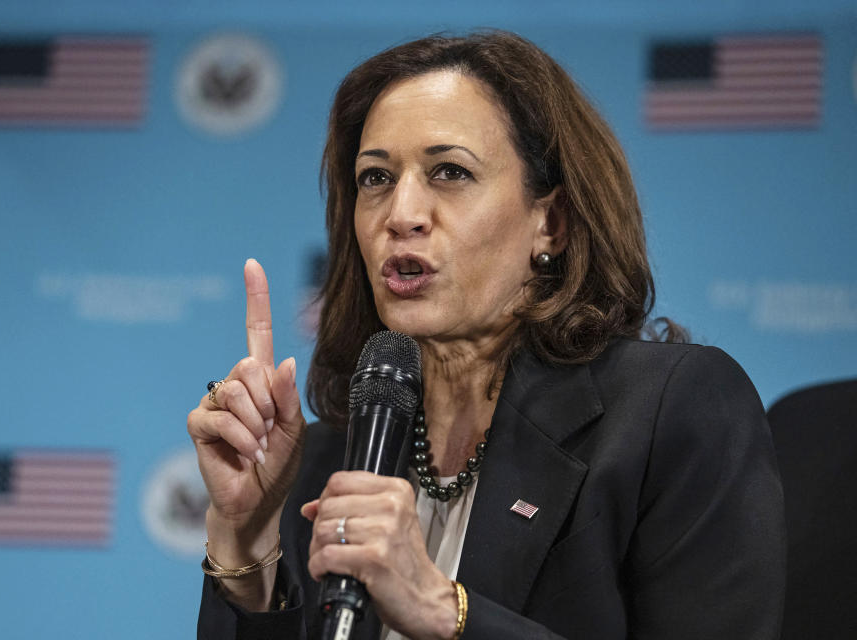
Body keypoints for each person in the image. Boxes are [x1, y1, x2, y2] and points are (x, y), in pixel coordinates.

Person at [187, 31, 785, 639]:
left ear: (550, 223)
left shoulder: (668, 415)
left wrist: (444, 611)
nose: (401, 214)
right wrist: (247, 539)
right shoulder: (327, 460)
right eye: (376, 179)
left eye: (449, 172)